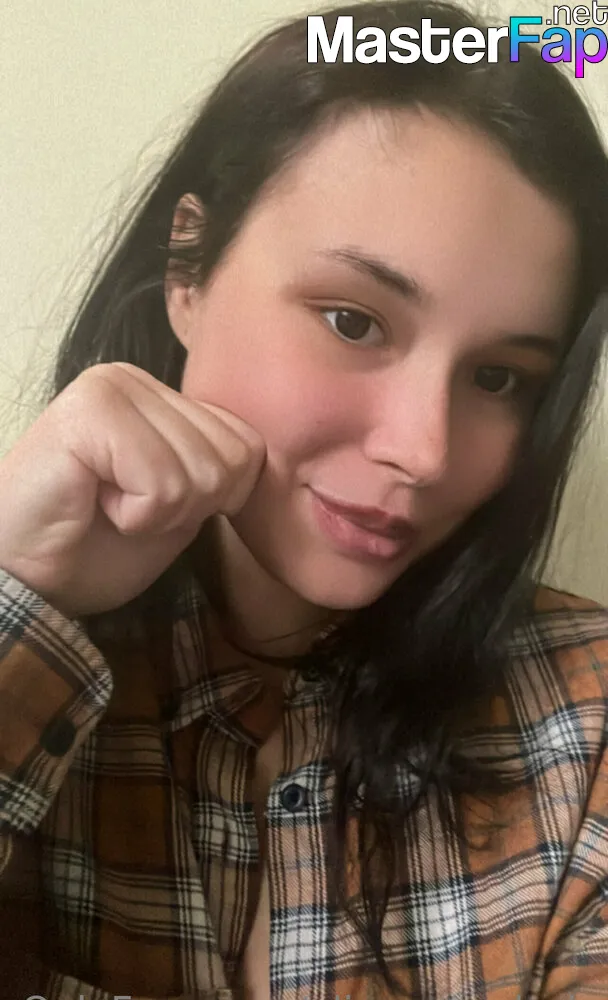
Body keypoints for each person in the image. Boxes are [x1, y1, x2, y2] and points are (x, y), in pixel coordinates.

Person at [0, 0, 607, 997]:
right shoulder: (33, 660)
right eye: (352, 320)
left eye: (498, 378)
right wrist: (17, 596)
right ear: (187, 268)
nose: (422, 451)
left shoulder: (584, 731)